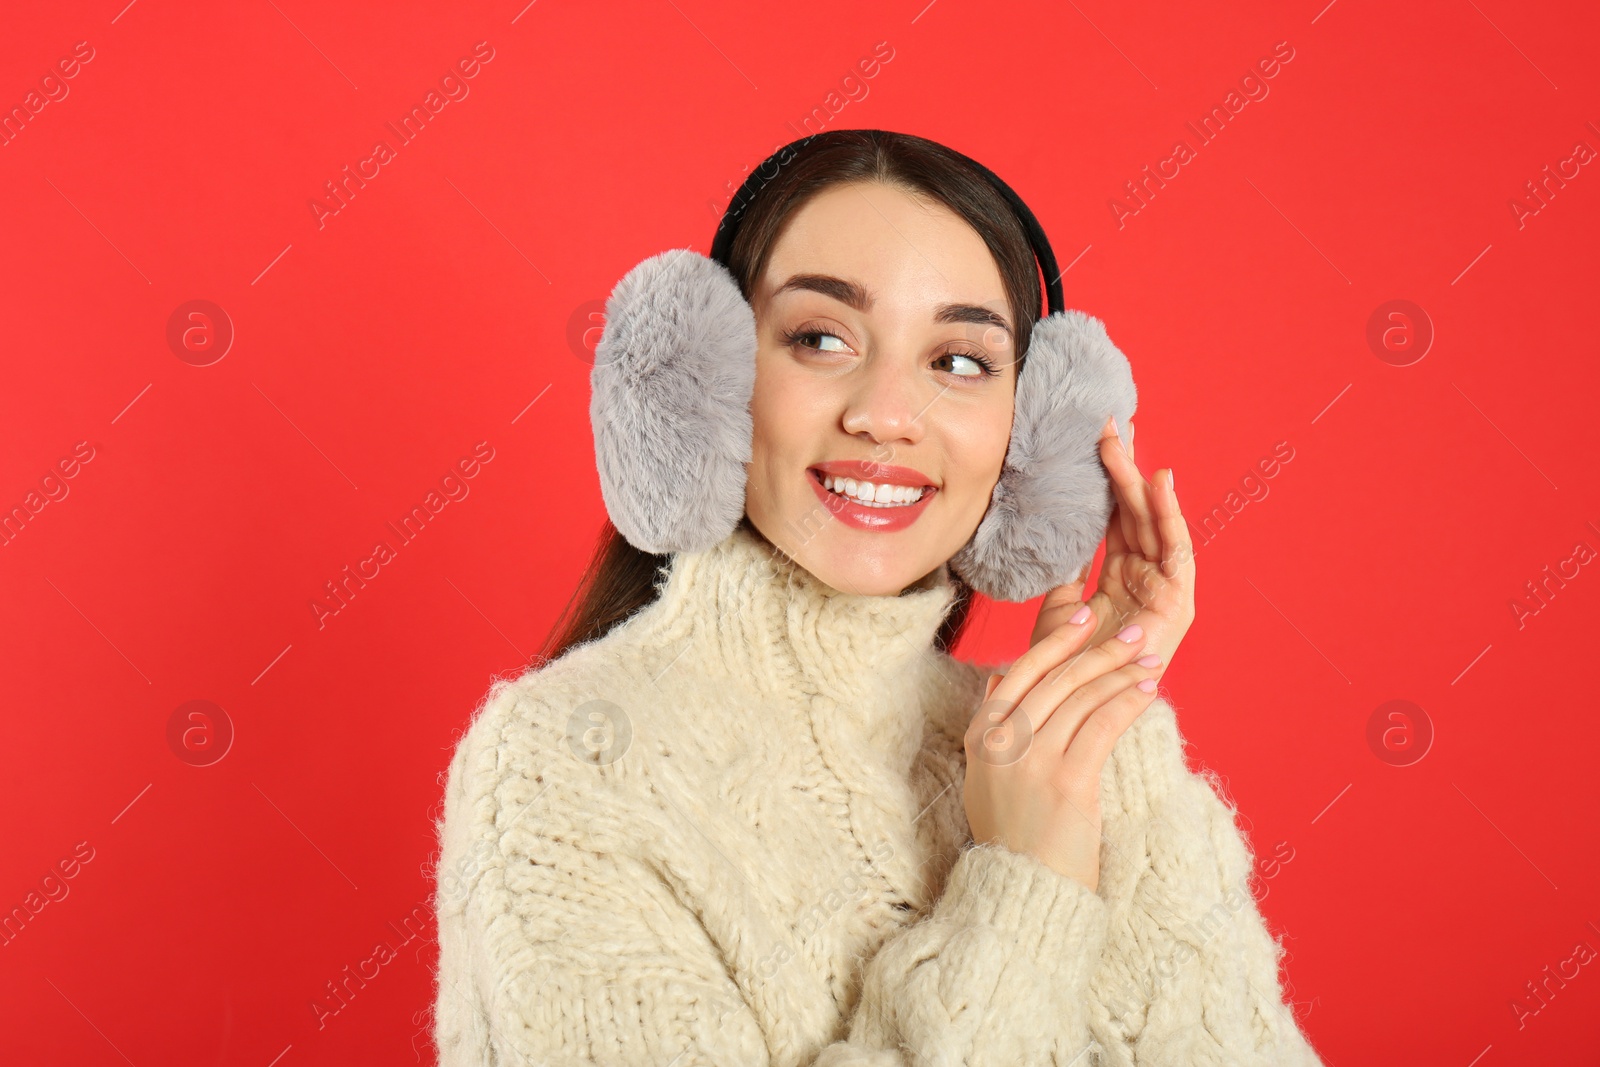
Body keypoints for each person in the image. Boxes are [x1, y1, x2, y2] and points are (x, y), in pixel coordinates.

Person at [429, 130, 1327, 1066]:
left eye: (961, 361)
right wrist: (1026, 886)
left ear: (1031, 443)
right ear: (705, 386)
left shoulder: (1068, 757)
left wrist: (1097, 729)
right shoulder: (565, 762)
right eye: (820, 338)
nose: (887, 413)